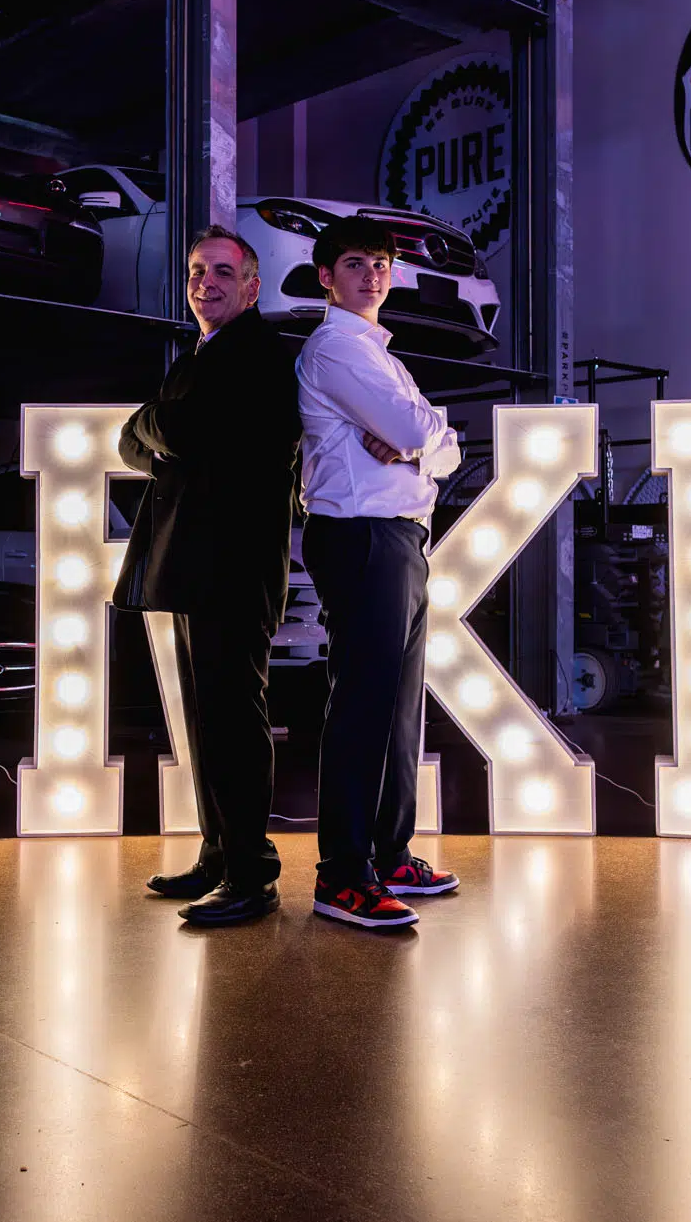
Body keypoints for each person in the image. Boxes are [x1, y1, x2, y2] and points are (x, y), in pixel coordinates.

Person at [114, 225, 301, 927]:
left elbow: (176, 434)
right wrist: (163, 428)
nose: (206, 283)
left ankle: (252, 872)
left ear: (252, 285)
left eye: (223, 272)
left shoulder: (256, 353)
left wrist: (162, 427)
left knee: (232, 716)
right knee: (205, 720)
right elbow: (142, 441)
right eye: (197, 272)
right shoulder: (205, 353)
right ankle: (219, 853)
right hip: (199, 566)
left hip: (235, 568)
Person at [295, 215, 462, 930]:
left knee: (399, 705)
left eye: (383, 264)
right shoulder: (337, 348)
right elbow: (424, 432)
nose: (374, 275)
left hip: (399, 535)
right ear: (327, 276)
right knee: (364, 701)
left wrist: (425, 445)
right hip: (361, 535)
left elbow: (441, 445)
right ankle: (342, 873)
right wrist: (425, 442)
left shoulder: (381, 355)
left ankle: (390, 853)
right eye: (357, 263)